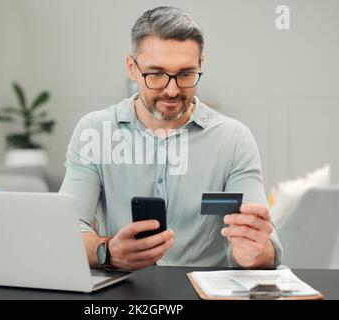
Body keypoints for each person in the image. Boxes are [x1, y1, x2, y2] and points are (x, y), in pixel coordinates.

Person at [60, 6, 283, 270]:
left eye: (185, 74)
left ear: (201, 64)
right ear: (132, 68)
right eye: (156, 74)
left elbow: (265, 247)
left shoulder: (233, 139)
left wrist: (256, 253)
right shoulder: (94, 131)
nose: (172, 90)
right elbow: (65, 231)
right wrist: (107, 251)